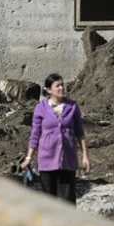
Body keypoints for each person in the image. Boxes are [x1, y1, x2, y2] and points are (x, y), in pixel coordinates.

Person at [20, 73, 90, 205]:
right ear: (48, 90)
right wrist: (29, 157)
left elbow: (80, 133)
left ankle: (70, 225)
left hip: (67, 158)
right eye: (57, 86)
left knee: (68, 199)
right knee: (49, 200)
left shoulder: (72, 106)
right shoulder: (40, 109)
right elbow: (35, 134)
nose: (62, 88)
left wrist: (85, 156)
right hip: (47, 157)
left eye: (62, 85)